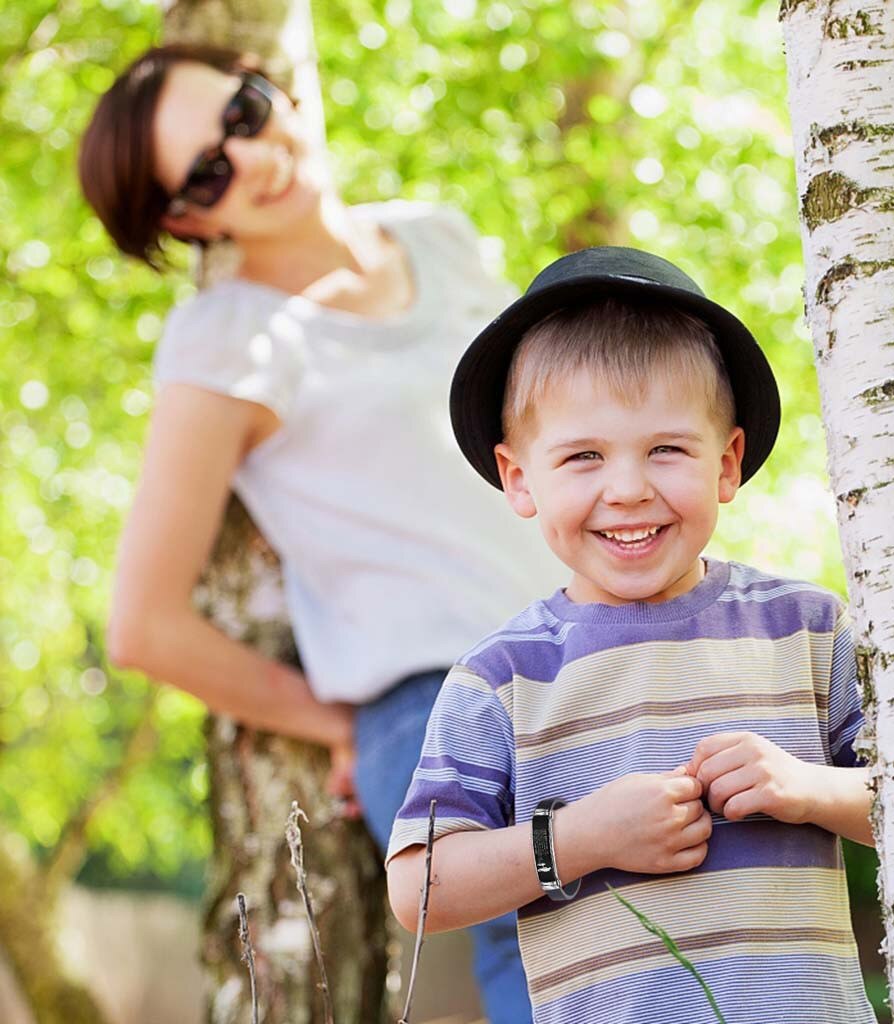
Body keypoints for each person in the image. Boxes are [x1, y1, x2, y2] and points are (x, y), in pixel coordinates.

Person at [78, 43, 560, 1023]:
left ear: (276, 93)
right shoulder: (227, 339)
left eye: (243, 114)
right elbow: (142, 624)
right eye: (207, 172)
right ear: (184, 218)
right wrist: (347, 722)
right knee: (561, 967)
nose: (250, 159)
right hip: (442, 705)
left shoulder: (439, 238)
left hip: (593, 643)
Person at [386, 246, 878, 1023]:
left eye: (667, 450)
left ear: (728, 462)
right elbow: (419, 889)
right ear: (520, 479)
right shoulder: (503, 677)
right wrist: (580, 839)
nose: (627, 489)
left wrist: (809, 787)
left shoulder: (806, 628)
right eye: (583, 456)